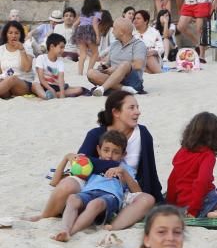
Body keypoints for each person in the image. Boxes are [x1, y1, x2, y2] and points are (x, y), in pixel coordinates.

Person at [34, 91, 161, 223]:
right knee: (67, 185)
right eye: (131, 107)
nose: (138, 112)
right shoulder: (96, 134)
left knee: (146, 200)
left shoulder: (143, 134)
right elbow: (80, 162)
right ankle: (44, 217)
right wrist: (114, 165)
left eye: (137, 107)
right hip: (93, 182)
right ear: (116, 112)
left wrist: (159, 198)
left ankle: (108, 221)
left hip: (125, 188)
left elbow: (150, 171)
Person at [51, 130, 139, 242]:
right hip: (88, 193)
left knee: (95, 204)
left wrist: (123, 173)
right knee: (72, 198)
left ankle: (70, 233)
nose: (109, 155)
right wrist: (66, 158)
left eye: (116, 152)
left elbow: (138, 192)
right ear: (98, 150)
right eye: (106, 150)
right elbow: (55, 182)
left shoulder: (125, 169)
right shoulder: (90, 166)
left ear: (123, 154)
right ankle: (64, 229)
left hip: (110, 196)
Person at [88, 19, 146, 97]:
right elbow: (108, 64)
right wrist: (104, 67)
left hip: (131, 81)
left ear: (121, 32)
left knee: (125, 64)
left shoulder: (138, 44)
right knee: (90, 72)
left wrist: (116, 68)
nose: (112, 31)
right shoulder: (114, 45)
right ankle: (124, 89)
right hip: (114, 80)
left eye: (114, 28)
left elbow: (138, 65)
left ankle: (102, 88)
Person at [33, 33, 84, 100]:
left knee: (79, 89)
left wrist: (62, 94)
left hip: (57, 87)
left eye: (63, 48)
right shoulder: (41, 58)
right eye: (61, 47)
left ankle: (52, 95)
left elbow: (61, 79)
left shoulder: (60, 62)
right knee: (34, 85)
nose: (63, 50)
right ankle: (46, 96)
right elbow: (41, 79)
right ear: (51, 46)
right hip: (44, 86)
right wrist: (51, 89)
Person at [72, 0, 103, 76]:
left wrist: (76, 33)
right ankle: (89, 71)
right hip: (90, 32)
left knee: (83, 54)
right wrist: (97, 36)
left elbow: (75, 24)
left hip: (80, 31)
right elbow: (94, 24)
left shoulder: (82, 13)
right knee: (95, 53)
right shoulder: (97, 13)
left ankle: (80, 73)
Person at [133, 10, 164, 75]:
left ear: (146, 21)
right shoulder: (132, 33)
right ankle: (156, 73)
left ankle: (160, 74)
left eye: (138, 18)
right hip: (137, 59)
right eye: (134, 18)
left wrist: (153, 52)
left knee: (149, 57)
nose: (135, 21)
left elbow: (161, 48)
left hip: (152, 58)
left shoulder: (154, 32)